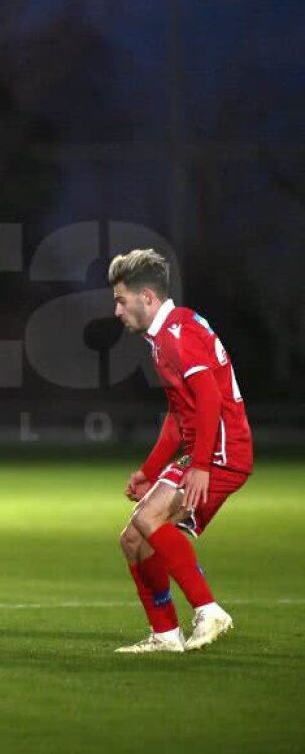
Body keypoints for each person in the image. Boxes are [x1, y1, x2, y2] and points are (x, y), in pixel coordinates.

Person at [109, 248, 253, 653]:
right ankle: (166, 635)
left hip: (222, 453)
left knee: (148, 519)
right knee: (133, 540)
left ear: (147, 298)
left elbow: (209, 400)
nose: (117, 310)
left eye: (122, 300)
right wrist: (149, 470)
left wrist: (203, 465)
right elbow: (179, 414)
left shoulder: (177, 335)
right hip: (208, 451)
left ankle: (208, 610)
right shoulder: (168, 334)